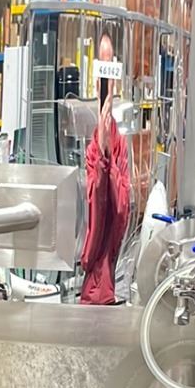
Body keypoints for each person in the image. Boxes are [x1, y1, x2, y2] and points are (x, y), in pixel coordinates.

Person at [80, 80, 130, 305]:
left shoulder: (117, 150)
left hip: (101, 286)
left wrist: (105, 158)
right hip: (100, 283)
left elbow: (114, 206)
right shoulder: (101, 151)